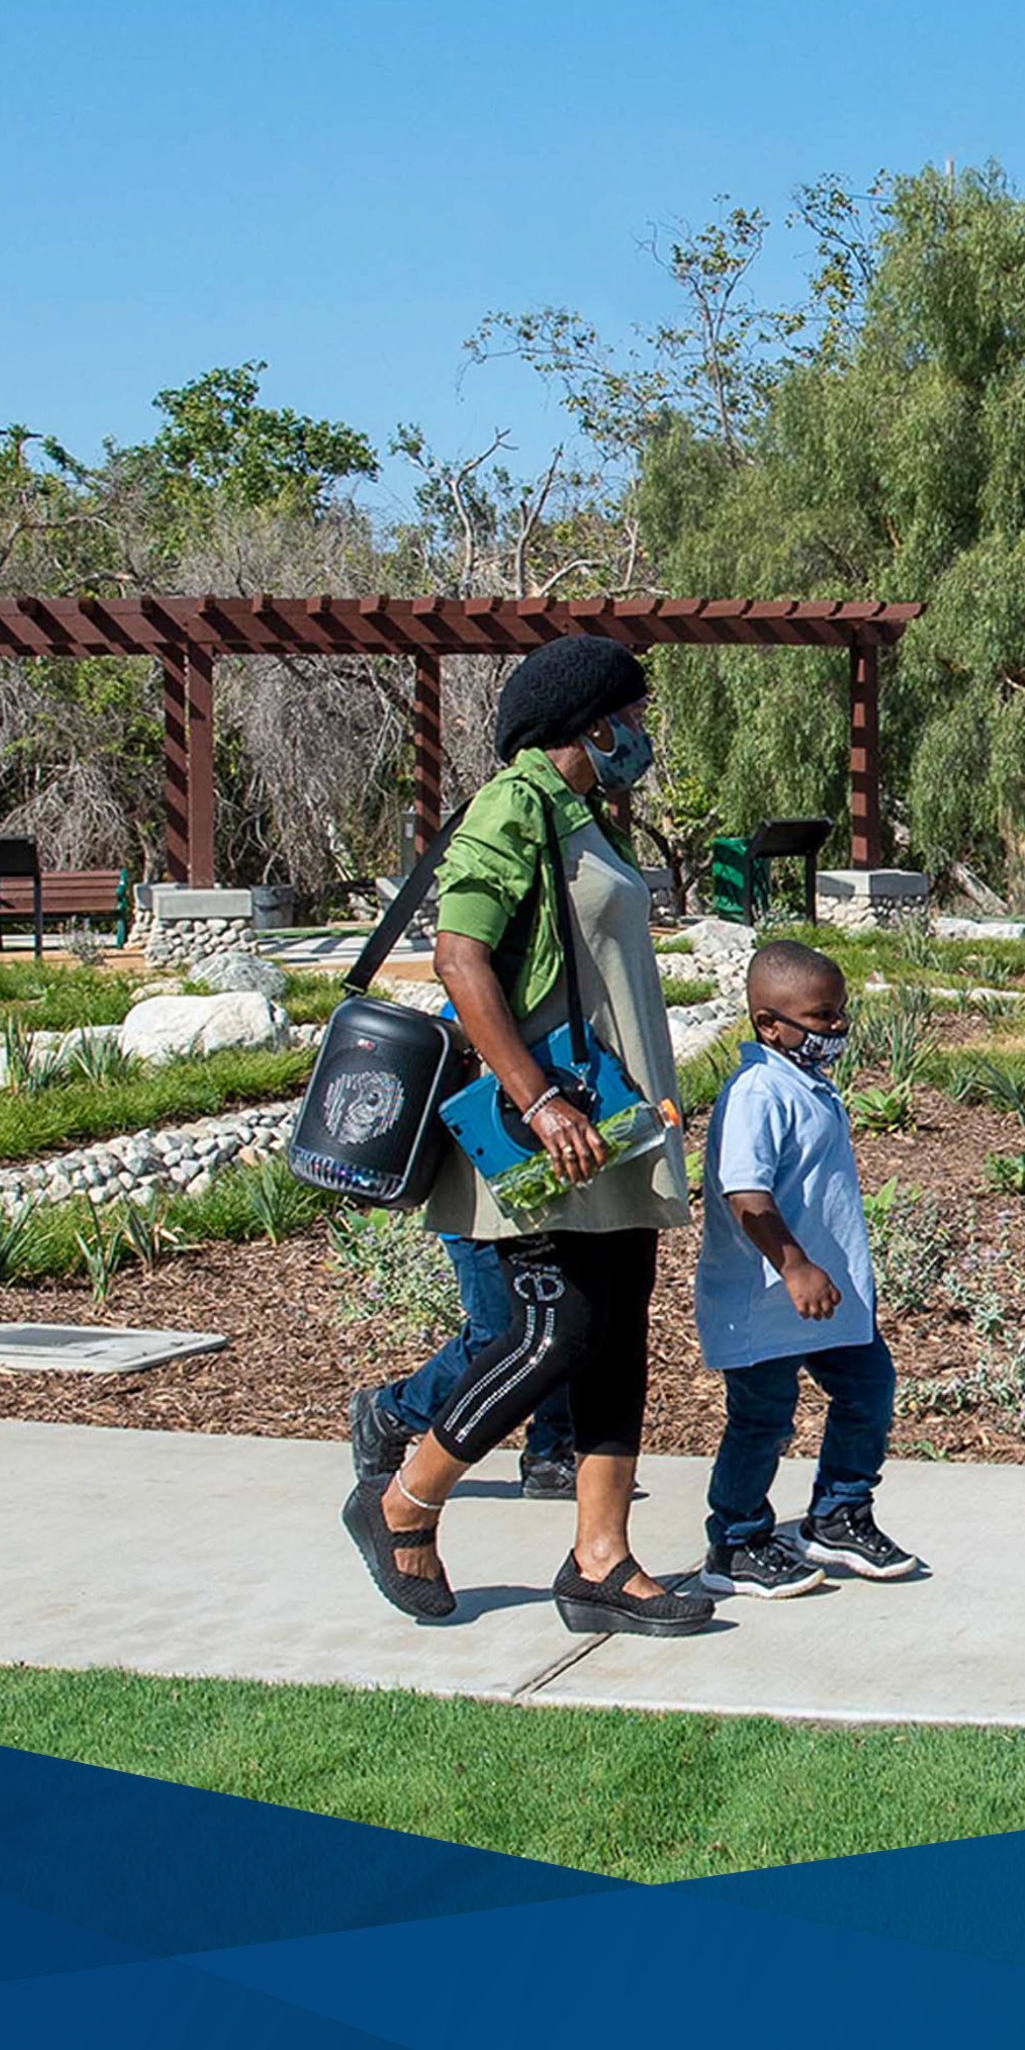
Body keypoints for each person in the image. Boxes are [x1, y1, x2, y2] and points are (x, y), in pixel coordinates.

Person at [339, 632, 706, 1635]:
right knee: (554, 1333)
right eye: (630, 714)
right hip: (552, 1127)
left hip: (614, 1125)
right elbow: (458, 957)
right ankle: (403, 1500)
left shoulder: (586, 817)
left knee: (617, 1332)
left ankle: (600, 1560)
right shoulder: (515, 805)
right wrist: (538, 1101)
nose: (640, 731)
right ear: (589, 720)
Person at [692, 940, 920, 1597]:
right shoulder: (759, 1090)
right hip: (766, 1298)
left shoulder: (805, 1082)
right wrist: (794, 1267)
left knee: (868, 1390)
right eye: (822, 1018)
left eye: (840, 1014)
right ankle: (734, 1543)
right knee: (762, 1418)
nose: (838, 1028)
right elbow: (745, 1195)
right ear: (770, 1024)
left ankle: (838, 1515)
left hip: (830, 1297)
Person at [347, 1238, 575, 1498]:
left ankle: (551, 1453)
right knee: (499, 1339)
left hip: (545, 1222)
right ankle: (394, 1411)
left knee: (560, 1328)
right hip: (479, 1223)